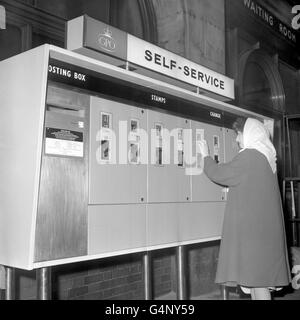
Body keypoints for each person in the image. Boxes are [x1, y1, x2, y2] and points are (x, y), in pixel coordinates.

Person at [198, 117, 291, 300]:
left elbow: (219, 173)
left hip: (254, 235)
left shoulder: (250, 155)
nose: (237, 140)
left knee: (258, 283)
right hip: (264, 233)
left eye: (238, 134)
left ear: (249, 133)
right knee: (256, 281)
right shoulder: (267, 157)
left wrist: (206, 155)